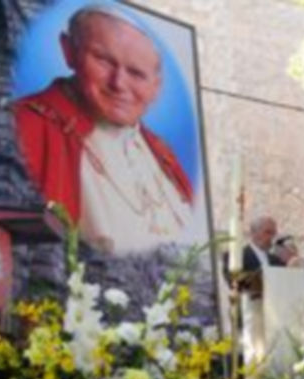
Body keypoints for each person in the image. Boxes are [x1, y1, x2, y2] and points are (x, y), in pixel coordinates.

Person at [13, 5, 194, 255]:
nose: (118, 83)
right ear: (69, 51)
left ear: (156, 87)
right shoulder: (26, 125)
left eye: (136, 73)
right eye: (104, 60)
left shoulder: (164, 157)